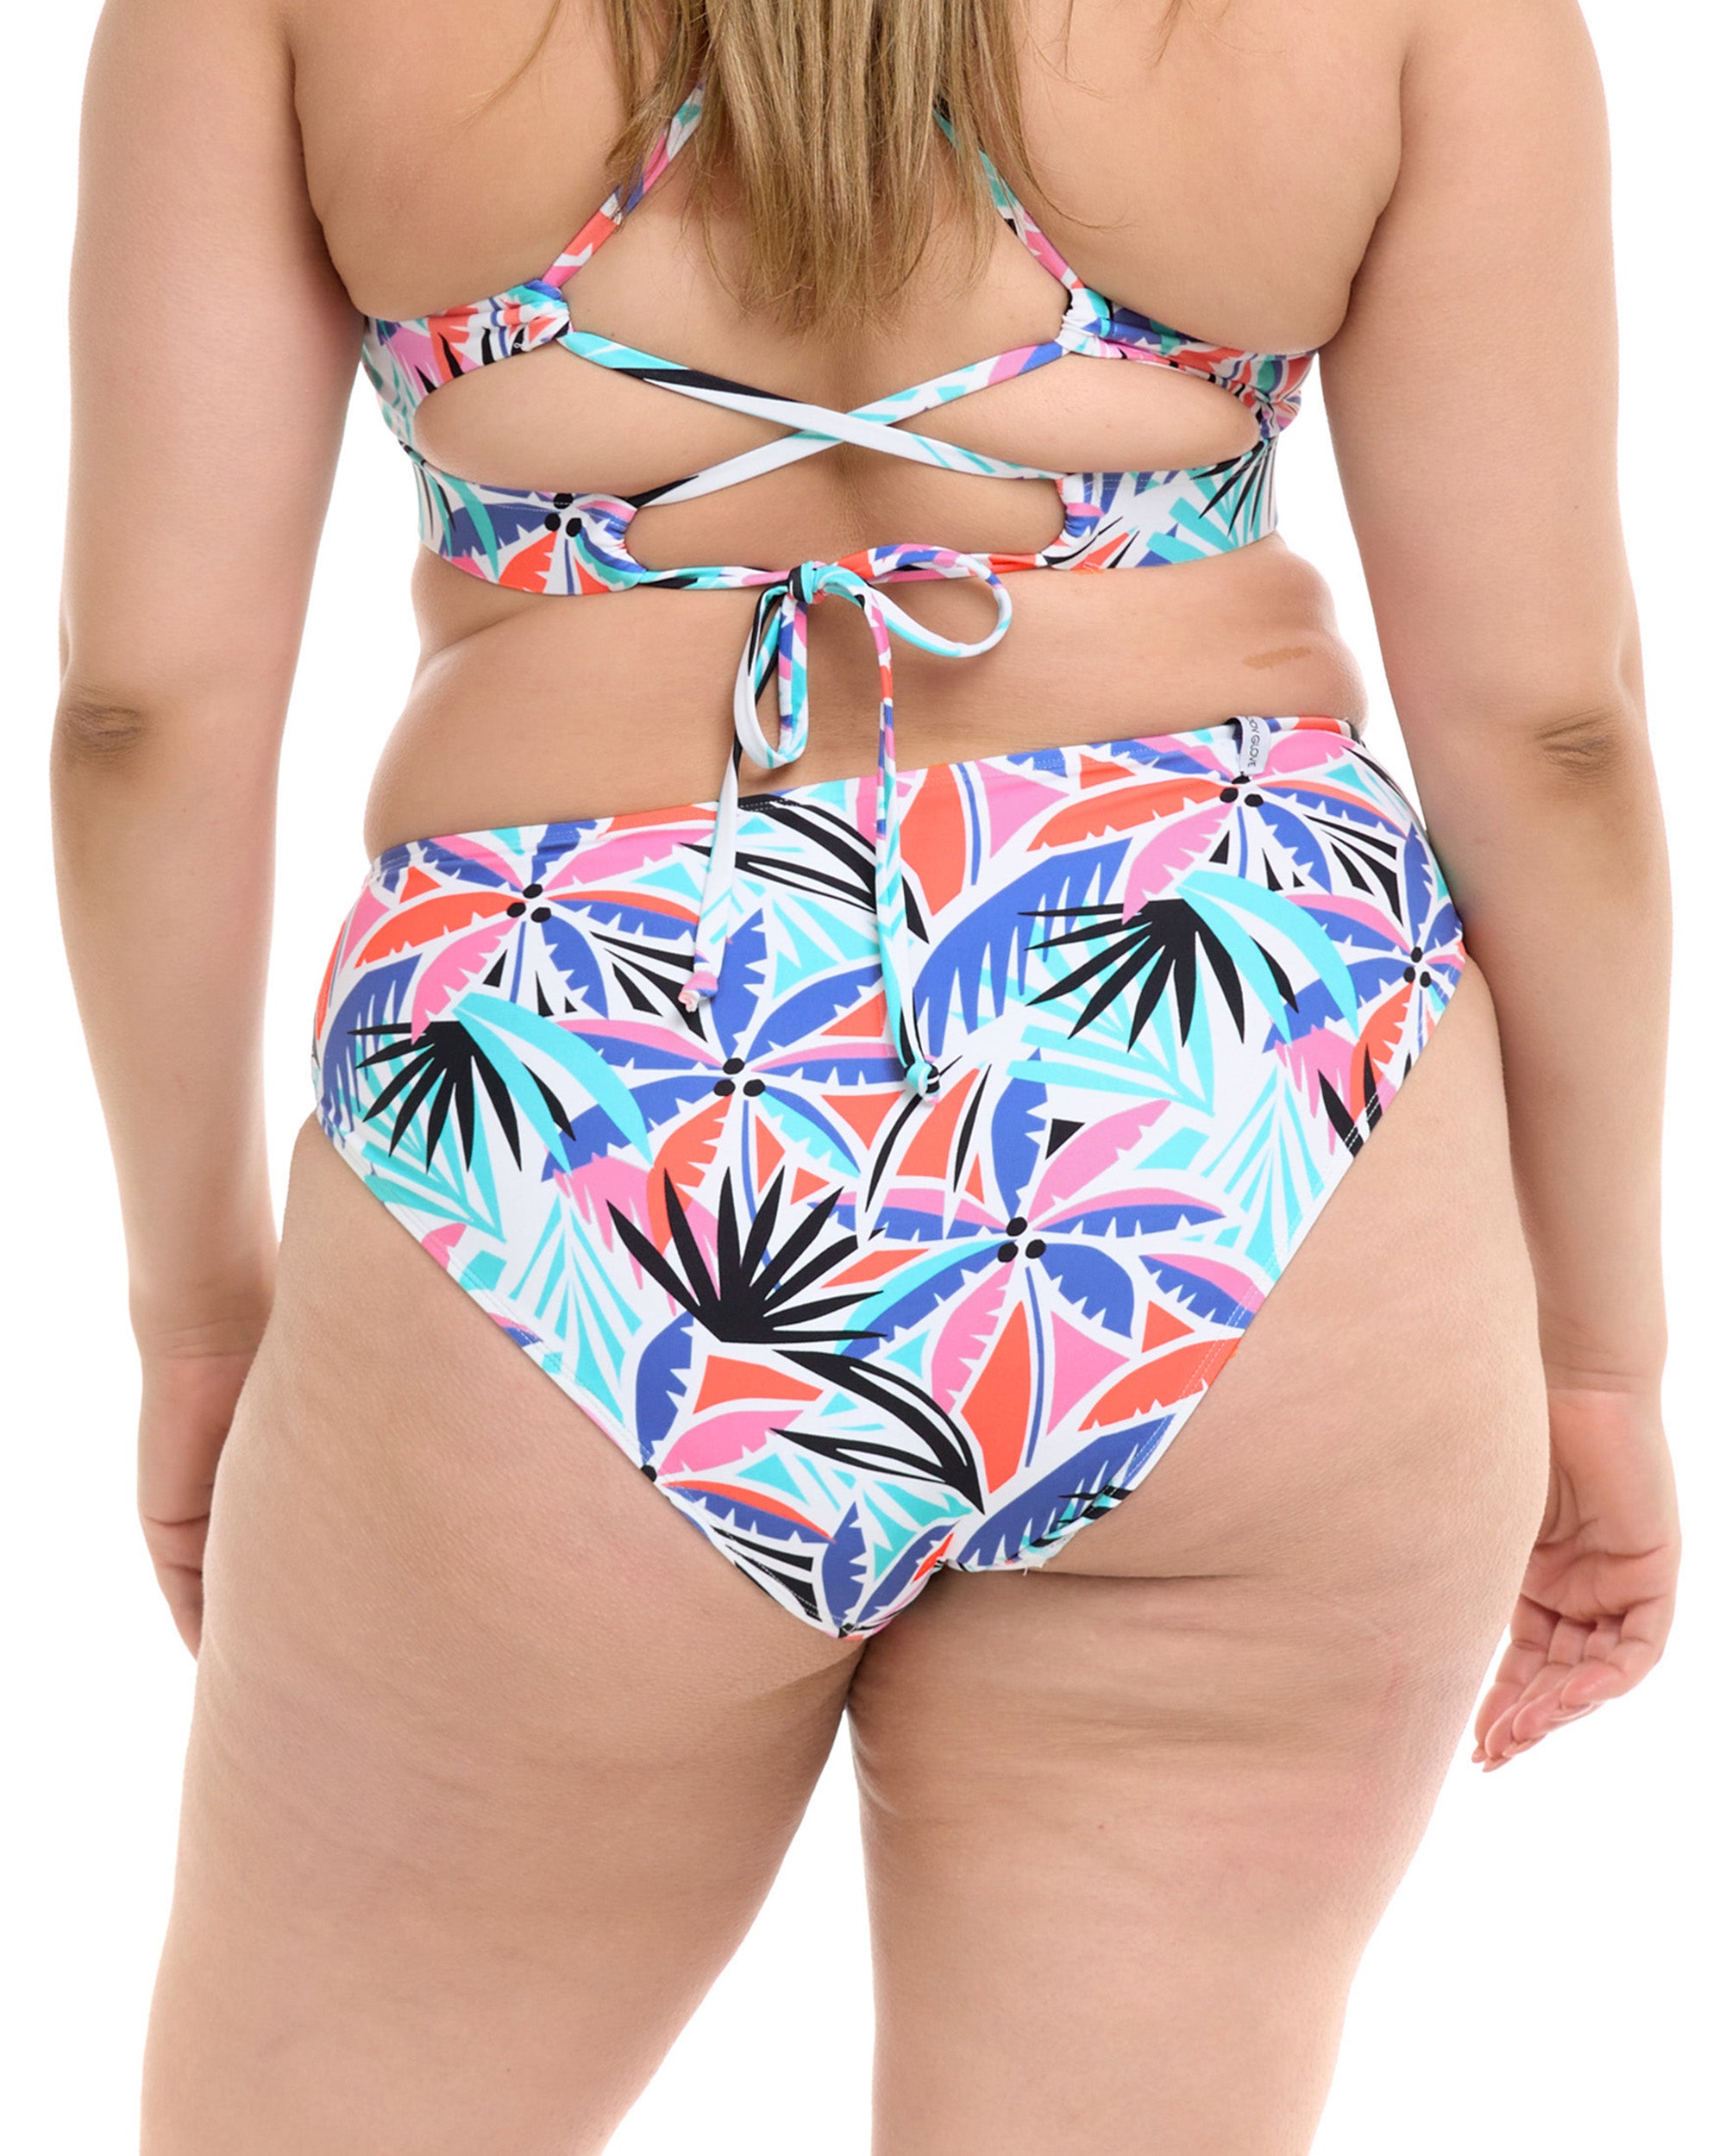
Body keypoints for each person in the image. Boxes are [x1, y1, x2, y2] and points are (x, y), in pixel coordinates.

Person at [53, 0, 1678, 2148]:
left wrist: (197, 1316)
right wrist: (1596, 1359)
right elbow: (1549, 733)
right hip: (1234, 1077)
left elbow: (145, 719)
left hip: (570, 1090)